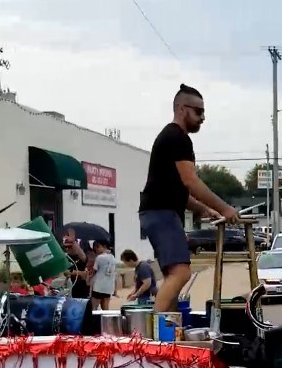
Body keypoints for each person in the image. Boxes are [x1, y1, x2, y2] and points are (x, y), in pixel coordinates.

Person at [138, 84, 240, 313]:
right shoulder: (177, 137)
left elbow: (175, 189)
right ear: (182, 109)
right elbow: (190, 182)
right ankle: (156, 340)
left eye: (204, 112)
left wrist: (203, 209)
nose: (203, 118)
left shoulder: (172, 137)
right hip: (160, 213)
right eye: (198, 111)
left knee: (172, 276)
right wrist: (225, 209)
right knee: (181, 273)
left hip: (158, 212)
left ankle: (169, 334)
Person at [90, 238, 117, 310]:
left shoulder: (99, 257)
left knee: (94, 308)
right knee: (105, 308)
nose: (96, 250)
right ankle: (106, 321)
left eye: (97, 247)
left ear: (104, 246)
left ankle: (94, 321)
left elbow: (94, 271)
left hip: (98, 286)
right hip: (108, 287)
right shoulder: (112, 257)